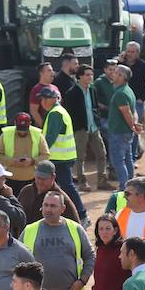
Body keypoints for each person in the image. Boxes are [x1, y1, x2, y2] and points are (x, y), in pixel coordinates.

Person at [34, 87, 87, 220]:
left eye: (45, 99)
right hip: (62, 157)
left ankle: (81, 214)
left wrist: (40, 153)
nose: (42, 102)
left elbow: (50, 137)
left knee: (66, 187)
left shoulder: (55, 113)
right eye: (41, 99)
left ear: (53, 99)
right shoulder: (57, 111)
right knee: (62, 187)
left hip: (59, 158)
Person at [105, 64, 142, 189]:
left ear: (121, 76)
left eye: (115, 72)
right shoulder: (128, 90)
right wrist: (133, 125)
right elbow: (133, 112)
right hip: (125, 132)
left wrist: (132, 126)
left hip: (119, 132)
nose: (113, 74)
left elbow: (126, 112)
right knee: (127, 159)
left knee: (118, 161)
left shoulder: (120, 93)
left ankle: (124, 187)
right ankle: (131, 185)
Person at [0, 112, 50, 195]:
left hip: (31, 180)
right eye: (20, 129)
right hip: (10, 180)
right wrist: (12, 161)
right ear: (15, 123)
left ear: (30, 124)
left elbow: (46, 155)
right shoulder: (6, 134)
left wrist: (32, 161)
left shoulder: (37, 135)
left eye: (24, 129)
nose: (22, 132)